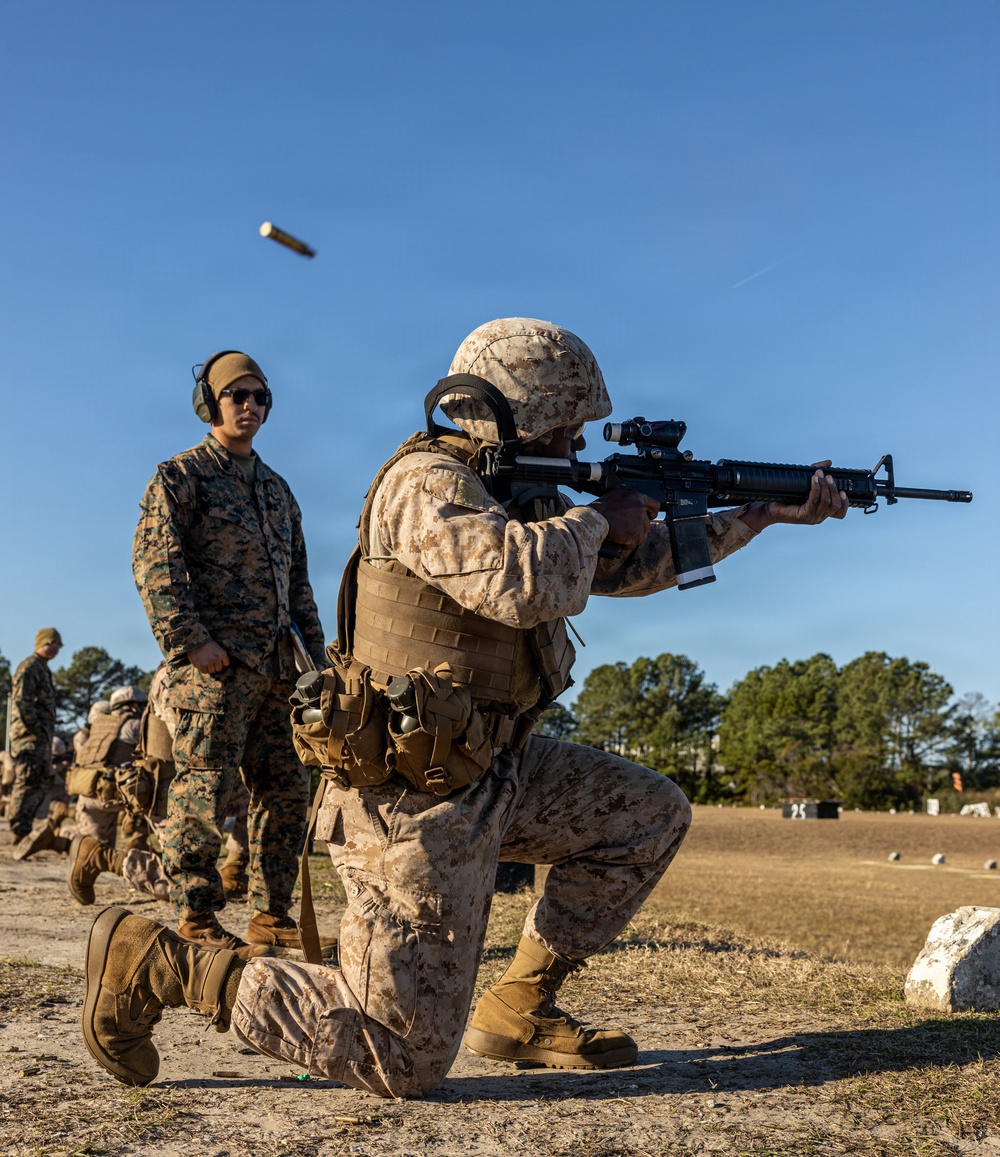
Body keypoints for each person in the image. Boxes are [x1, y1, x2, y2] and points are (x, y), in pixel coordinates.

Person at [82, 318, 847, 1095]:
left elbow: (629, 564)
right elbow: (518, 582)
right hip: (410, 798)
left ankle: (520, 1004)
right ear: (511, 412)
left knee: (646, 814)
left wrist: (758, 514)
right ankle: (165, 963)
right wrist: (597, 516)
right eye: (566, 427)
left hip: (492, 763)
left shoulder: (522, 492)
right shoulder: (426, 485)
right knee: (400, 1056)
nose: (579, 448)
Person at [128, 350, 326, 958]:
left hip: (275, 670)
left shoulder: (276, 489)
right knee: (203, 792)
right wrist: (193, 643)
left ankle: (270, 916)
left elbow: (298, 583)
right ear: (211, 403)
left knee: (286, 793)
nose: (250, 406)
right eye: (237, 395)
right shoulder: (182, 477)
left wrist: (316, 665)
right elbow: (155, 567)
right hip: (213, 673)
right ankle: (197, 915)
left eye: (260, 397)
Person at [8, 628, 62, 845]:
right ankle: (17, 828)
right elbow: (22, 701)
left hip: (40, 738)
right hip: (29, 738)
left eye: (59, 645)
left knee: (39, 781)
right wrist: (36, 728)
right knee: (27, 781)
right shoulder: (30, 666)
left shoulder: (42, 668)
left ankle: (24, 828)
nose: (57, 649)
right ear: (43, 643)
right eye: (54, 643)